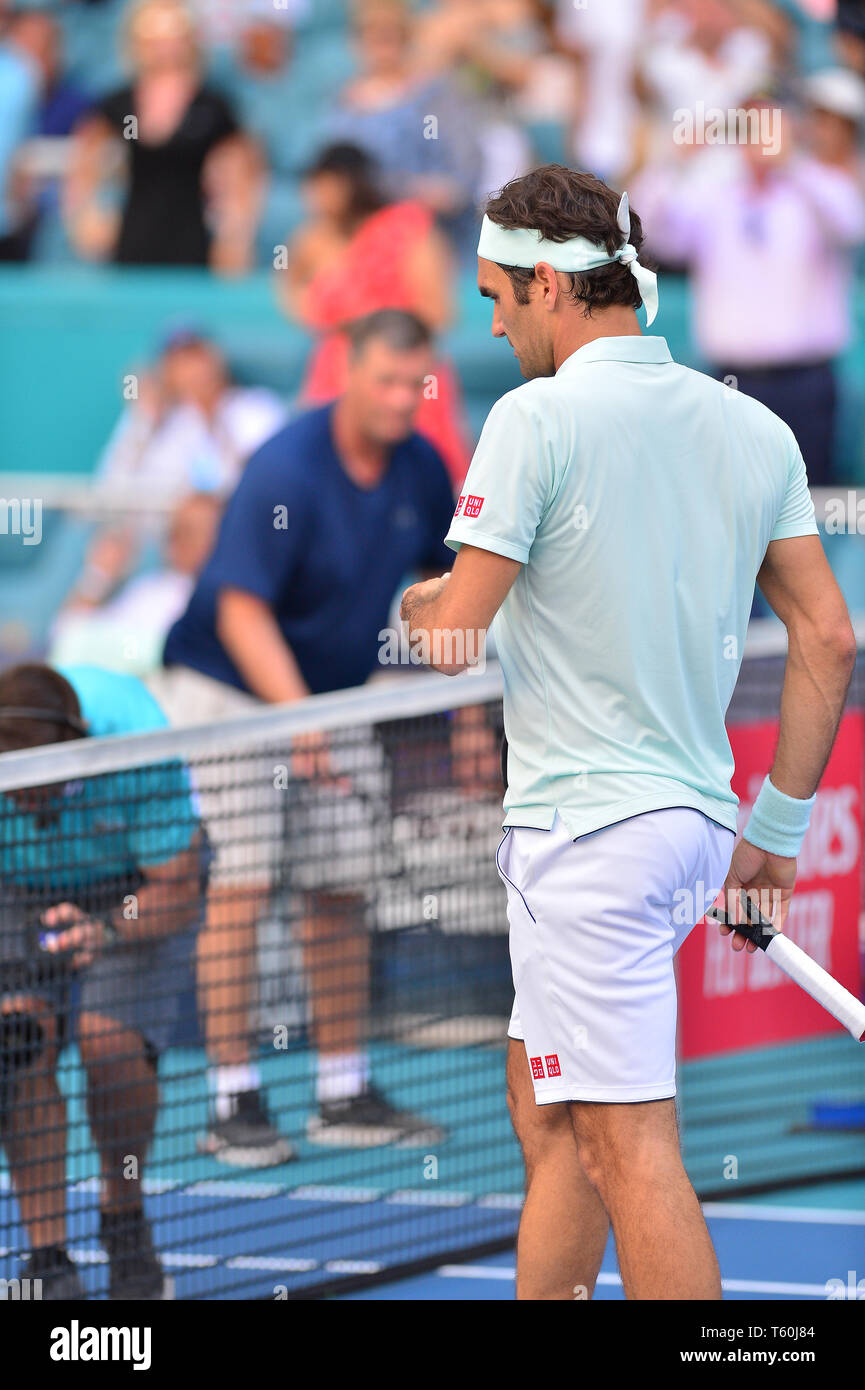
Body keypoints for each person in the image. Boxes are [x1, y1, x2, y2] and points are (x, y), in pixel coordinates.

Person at [399, 163, 855, 1299]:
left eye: (499, 295)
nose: (491, 323)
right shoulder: (750, 427)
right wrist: (777, 833)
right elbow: (828, 639)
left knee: (629, 1146)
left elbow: (454, 637)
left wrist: (420, 605)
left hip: (588, 847)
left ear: (552, 286)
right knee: (547, 1111)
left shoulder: (533, 419)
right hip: (689, 826)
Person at [148, 309, 455, 1160]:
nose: (400, 400)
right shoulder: (285, 468)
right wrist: (298, 721)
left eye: (413, 384)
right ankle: (231, 1099)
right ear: (347, 375)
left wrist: (458, 687)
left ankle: (342, 1088)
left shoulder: (421, 467)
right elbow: (240, 607)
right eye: (385, 382)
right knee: (242, 886)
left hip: (332, 696)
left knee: (339, 891)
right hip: (231, 690)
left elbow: (440, 576)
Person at [0, 662, 209, 1300]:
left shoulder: (135, 739)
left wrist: (107, 930)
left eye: (37, 788)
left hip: (133, 890)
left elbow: (176, 888)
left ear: (76, 746)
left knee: (108, 1044)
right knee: (18, 1043)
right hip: (15, 891)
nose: (23, 804)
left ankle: (123, 1216)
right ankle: (49, 1258)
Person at [638, 93, 865, 484]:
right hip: (733, 380)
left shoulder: (818, 187)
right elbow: (654, 232)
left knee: (811, 505)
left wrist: (792, 164)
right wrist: (674, 161)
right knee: (735, 502)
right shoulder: (714, 196)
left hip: (805, 380)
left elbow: (849, 225)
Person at [279, 142, 470, 487]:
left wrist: (378, 325)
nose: (314, 195)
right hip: (337, 376)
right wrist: (319, 313)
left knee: (419, 483)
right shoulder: (312, 237)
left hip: (406, 370)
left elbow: (440, 312)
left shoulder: (409, 229)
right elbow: (289, 282)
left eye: (324, 183)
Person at [63, 0, 261, 271]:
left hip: (191, 238)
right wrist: (85, 216)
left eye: (173, 36)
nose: (165, 47)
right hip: (133, 236)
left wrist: (235, 236)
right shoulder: (120, 103)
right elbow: (85, 157)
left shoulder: (211, 105)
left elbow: (244, 171)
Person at [49, 492, 222, 675]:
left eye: (191, 532)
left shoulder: (225, 603)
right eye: (174, 531)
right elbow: (66, 634)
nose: (177, 540)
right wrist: (99, 575)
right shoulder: (151, 590)